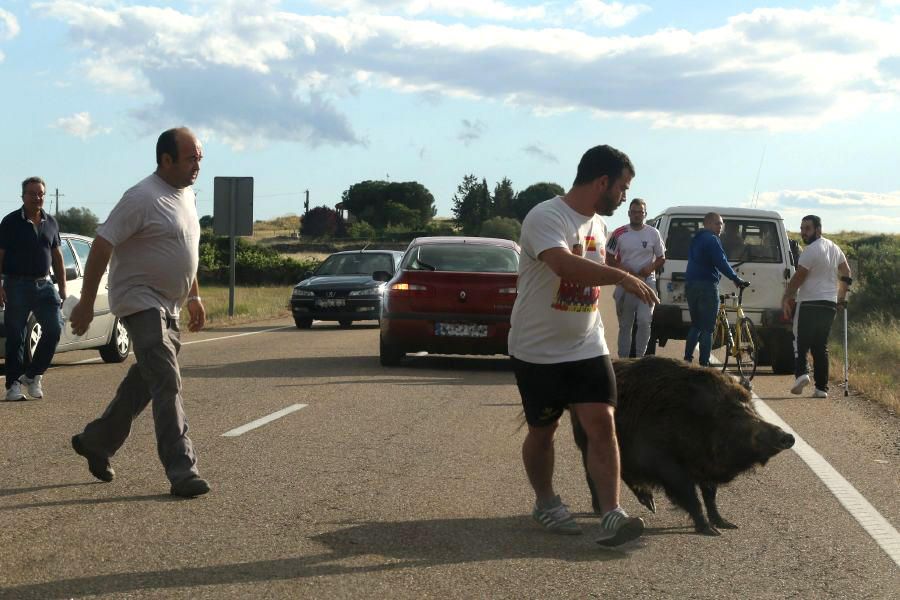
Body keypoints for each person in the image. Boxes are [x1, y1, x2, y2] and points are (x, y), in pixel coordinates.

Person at [508, 144, 659, 546]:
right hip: (537, 348)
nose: (625, 197)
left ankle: (611, 512)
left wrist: (625, 273)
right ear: (602, 182)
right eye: (622, 187)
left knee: (602, 423)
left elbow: (596, 267)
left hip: (586, 344)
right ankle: (545, 502)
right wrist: (622, 279)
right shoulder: (546, 216)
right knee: (544, 429)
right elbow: (562, 264)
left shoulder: (599, 226)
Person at [69, 127, 210, 498]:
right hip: (138, 300)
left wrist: (193, 296)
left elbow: (184, 249)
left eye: (200, 158)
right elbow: (101, 246)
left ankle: (97, 440)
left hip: (171, 305)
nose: (198, 165)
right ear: (166, 159)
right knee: (166, 378)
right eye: (191, 157)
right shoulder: (141, 197)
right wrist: (85, 303)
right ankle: (183, 470)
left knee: (147, 379)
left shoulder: (186, 196)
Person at [0, 177, 67, 401]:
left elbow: (57, 257)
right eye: (32, 193)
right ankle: (13, 386)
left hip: (44, 284)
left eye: (40, 194)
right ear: (23, 196)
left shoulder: (51, 223)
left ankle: (33, 375)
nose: (37, 198)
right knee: (16, 336)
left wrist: (63, 288)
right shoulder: (10, 222)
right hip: (16, 284)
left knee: (55, 329)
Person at [782, 215, 851, 398]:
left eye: (807, 228)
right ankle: (821, 388)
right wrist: (841, 297)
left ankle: (802, 374)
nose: (803, 232)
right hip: (829, 304)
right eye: (802, 228)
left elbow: (799, 276)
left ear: (818, 230)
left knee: (800, 340)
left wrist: (786, 296)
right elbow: (846, 272)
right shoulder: (834, 248)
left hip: (809, 302)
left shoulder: (810, 250)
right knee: (820, 346)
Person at [684, 212, 749, 366]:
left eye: (721, 224)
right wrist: (735, 278)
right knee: (707, 328)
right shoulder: (712, 239)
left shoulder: (696, 239)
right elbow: (721, 262)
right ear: (707, 224)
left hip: (691, 285)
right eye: (717, 223)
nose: (720, 227)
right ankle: (704, 364)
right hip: (707, 285)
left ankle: (687, 359)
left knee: (696, 325)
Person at [605, 198, 666, 358]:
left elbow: (661, 257)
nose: (637, 215)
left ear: (645, 214)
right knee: (626, 325)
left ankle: (639, 359)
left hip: (647, 283)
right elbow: (609, 259)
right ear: (629, 213)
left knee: (645, 321)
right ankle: (624, 360)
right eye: (634, 212)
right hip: (626, 284)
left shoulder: (653, 233)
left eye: (640, 212)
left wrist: (649, 268)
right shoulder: (618, 233)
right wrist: (626, 272)